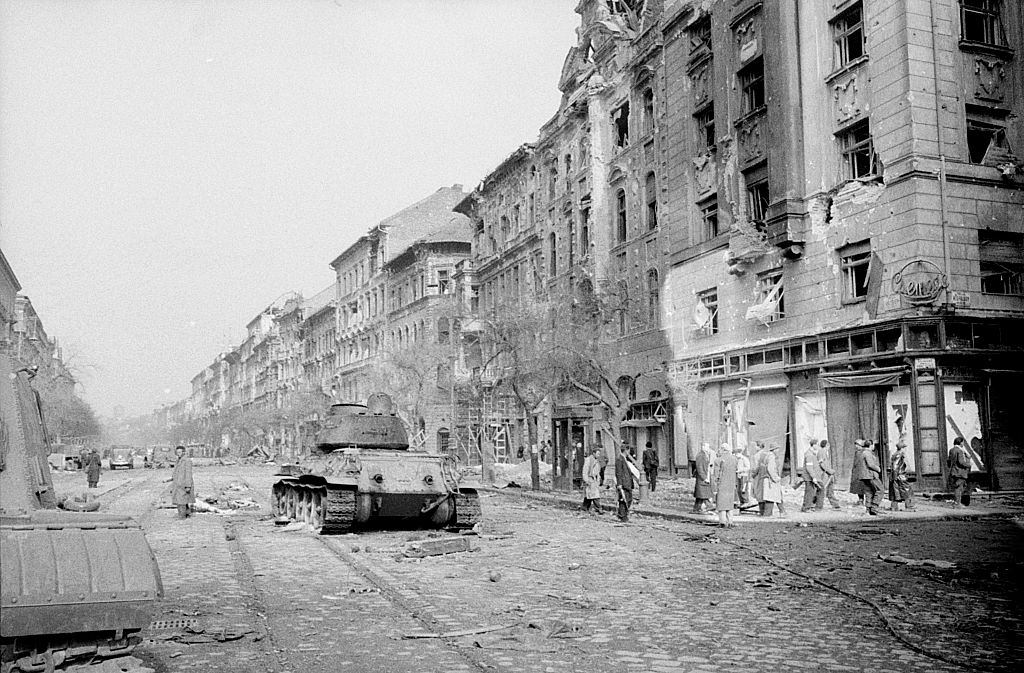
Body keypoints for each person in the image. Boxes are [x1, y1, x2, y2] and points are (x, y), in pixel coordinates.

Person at [856, 439, 883, 515]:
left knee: (869, 492)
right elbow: (870, 464)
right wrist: (878, 469)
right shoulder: (868, 453)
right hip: (871, 475)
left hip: (864, 476)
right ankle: (874, 507)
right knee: (880, 490)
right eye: (873, 445)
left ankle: (868, 509)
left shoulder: (861, 453)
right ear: (871, 445)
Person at [714, 442, 738, 527]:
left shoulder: (718, 460)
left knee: (722, 503)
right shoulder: (734, 459)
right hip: (731, 484)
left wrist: (715, 483)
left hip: (722, 484)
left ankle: (722, 522)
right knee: (729, 503)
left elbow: (716, 475)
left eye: (720, 449)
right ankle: (730, 521)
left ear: (723, 450)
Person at [888, 441, 915, 511]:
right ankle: (909, 506)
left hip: (895, 475)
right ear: (902, 448)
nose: (905, 449)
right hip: (900, 475)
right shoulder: (900, 454)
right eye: (904, 447)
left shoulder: (894, 454)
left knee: (895, 491)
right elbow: (895, 466)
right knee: (907, 490)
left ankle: (894, 506)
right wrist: (897, 475)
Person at [759, 444, 784, 516]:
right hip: (771, 480)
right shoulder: (771, 457)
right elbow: (770, 469)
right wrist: (775, 478)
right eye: (777, 449)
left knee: (771, 496)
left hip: (768, 479)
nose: (778, 450)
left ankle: (769, 513)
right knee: (773, 496)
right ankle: (769, 514)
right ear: (774, 449)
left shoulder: (768, 456)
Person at [816, 439, 842, 510]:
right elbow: (821, 464)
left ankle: (835, 505)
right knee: (822, 490)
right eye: (828, 445)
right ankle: (814, 504)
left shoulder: (825, 452)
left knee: (830, 490)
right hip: (824, 474)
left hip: (828, 475)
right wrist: (829, 471)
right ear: (827, 445)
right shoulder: (821, 452)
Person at [171, 445, 195, 519]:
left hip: (183, 484)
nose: (178, 453)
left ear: (184, 452)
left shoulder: (187, 461)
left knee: (182, 501)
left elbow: (188, 474)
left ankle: (182, 516)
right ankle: (187, 513)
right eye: (177, 452)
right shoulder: (178, 461)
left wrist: (188, 486)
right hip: (178, 484)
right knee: (181, 500)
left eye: (180, 452)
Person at [947, 436, 972, 508]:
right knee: (959, 488)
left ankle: (956, 502)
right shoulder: (960, 451)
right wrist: (968, 464)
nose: (963, 444)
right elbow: (961, 462)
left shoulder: (951, 450)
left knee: (956, 487)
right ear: (960, 442)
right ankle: (957, 504)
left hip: (954, 471)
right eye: (963, 442)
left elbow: (949, 461)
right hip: (960, 472)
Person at [801, 439, 824, 512]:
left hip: (811, 477)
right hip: (810, 477)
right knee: (810, 492)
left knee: (811, 492)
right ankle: (808, 508)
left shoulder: (811, 454)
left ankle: (810, 506)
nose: (818, 446)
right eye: (817, 445)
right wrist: (813, 477)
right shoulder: (809, 455)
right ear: (813, 445)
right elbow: (809, 467)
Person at [692, 442, 714, 514]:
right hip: (702, 478)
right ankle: (709, 506)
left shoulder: (704, 454)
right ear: (703, 447)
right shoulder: (701, 455)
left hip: (703, 477)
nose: (708, 448)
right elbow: (699, 467)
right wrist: (704, 478)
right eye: (707, 447)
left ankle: (696, 508)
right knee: (704, 494)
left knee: (701, 495)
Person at [614, 444, 634, 522]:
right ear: (626, 450)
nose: (629, 452)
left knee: (628, 499)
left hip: (627, 482)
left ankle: (622, 514)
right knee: (624, 499)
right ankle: (622, 515)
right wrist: (619, 484)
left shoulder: (624, 459)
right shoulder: (620, 459)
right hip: (623, 482)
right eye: (628, 450)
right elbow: (618, 472)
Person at [582, 447, 603, 513]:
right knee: (594, 495)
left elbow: (598, 471)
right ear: (594, 453)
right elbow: (585, 470)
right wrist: (586, 480)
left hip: (595, 479)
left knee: (590, 495)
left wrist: (598, 480)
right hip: (590, 479)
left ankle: (585, 507)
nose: (599, 455)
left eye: (599, 454)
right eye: (598, 454)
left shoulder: (597, 461)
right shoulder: (588, 460)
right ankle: (598, 508)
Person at [734, 445, 754, 511]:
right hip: (739, 475)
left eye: (737, 454)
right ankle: (741, 501)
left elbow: (748, 468)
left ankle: (746, 501)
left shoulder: (744, 459)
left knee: (743, 489)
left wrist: (741, 470)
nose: (736, 455)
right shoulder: (737, 459)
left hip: (744, 475)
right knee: (738, 489)